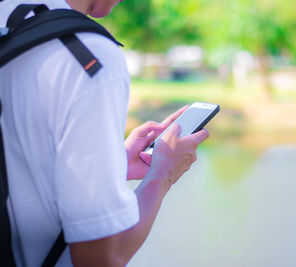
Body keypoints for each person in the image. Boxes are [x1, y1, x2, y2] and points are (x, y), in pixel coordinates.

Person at [0, 0, 209, 266]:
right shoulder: (89, 55)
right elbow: (100, 258)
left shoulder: (7, 17)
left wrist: (112, 165)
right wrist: (163, 174)